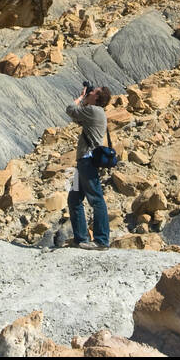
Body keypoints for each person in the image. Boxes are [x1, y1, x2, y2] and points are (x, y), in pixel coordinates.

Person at [66, 83, 111, 250]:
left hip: (87, 161)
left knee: (96, 198)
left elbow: (70, 109)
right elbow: (77, 118)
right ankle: (81, 239)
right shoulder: (95, 112)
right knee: (74, 198)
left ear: (97, 97)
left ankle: (101, 240)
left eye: (93, 92)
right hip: (84, 163)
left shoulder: (94, 111)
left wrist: (80, 98)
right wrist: (86, 100)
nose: (91, 92)